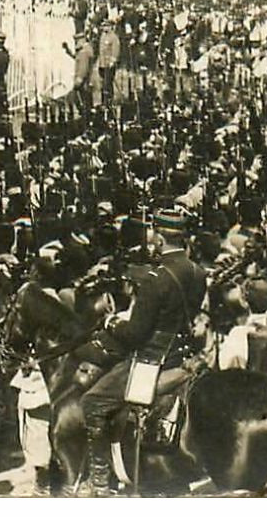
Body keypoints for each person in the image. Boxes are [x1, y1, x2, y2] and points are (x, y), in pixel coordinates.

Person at [79, 208, 206, 495]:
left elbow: (136, 335)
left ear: (159, 239)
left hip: (155, 360)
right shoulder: (198, 271)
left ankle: (100, 484)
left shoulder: (155, 278)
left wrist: (112, 322)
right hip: (183, 353)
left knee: (92, 403)